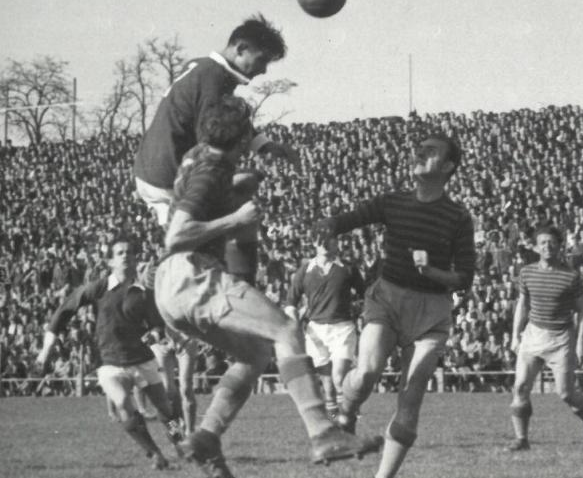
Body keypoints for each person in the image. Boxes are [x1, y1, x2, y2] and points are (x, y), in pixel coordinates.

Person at [154, 96, 379, 477]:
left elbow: (205, 193)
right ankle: (323, 433)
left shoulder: (197, 156)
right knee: (286, 330)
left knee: (255, 354)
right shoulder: (212, 170)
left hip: (170, 288)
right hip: (193, 273)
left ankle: (206, 436)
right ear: (242, 139)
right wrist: (236, 218)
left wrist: (240, 186)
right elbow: (176, 235)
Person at [133, 15, 298, 435]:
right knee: (197, 237)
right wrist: (232, 181)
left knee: (224, 210)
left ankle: (200, 293)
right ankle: (173, 303)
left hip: (156, 171)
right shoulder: (212, 79)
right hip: (165, 177)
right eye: (261, 60)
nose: (262, 70)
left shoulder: (205, 70)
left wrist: (263, 144)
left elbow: (227, 123)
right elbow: (214, 138)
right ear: (240, 49)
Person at [313, 133, 476, 478]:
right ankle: (346, 415)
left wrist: (431, 272)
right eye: (419, 148)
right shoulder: (393, 201)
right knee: (366, 373)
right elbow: (354, 217)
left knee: (411, 396)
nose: (420, 152)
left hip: (431, 313)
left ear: (448, 166)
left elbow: (464, 277)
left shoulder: (458, 216)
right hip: (387, 298)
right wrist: (331, 224)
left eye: (431, 151)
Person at [35, 236, 184, 470]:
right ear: (110, 261)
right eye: (120, 253)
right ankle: (155, 454)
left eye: (129, 252)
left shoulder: (143, 292)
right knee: (123, 402)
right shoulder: (98, 288)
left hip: (142, 359)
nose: (125, 256)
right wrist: (46, 350)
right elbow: (64, 311)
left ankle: (181, 444)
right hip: (109, 362)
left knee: (166, 410)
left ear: (136, 259)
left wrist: (154, 335)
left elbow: (157, 325)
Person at [506, 225, 583, 451]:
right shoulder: (527, 272)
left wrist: (580, 344)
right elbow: (522, 305)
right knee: (520, 387)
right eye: (543, 243)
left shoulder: (571, 276)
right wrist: (515, 336)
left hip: (561, 339)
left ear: (559, 246)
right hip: (533, 335)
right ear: (536, 247)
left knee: (566, 393)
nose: (547, 246)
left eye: (552, 242)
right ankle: (521, 439)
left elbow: (582, 312)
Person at [284, 230, 367, 418]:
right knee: (328, 385)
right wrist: (293, 319)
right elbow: (291, 300)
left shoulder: (347, 269)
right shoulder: (305, 270)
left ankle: (350, 410)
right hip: (316, 330)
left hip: (342, 328)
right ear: (315, 243)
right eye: (321, 241)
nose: (326, 244)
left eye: (331, 240)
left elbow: (366, 294)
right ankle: (334, 418)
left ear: (337, 243)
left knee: (339, 377)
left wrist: (365, 314)